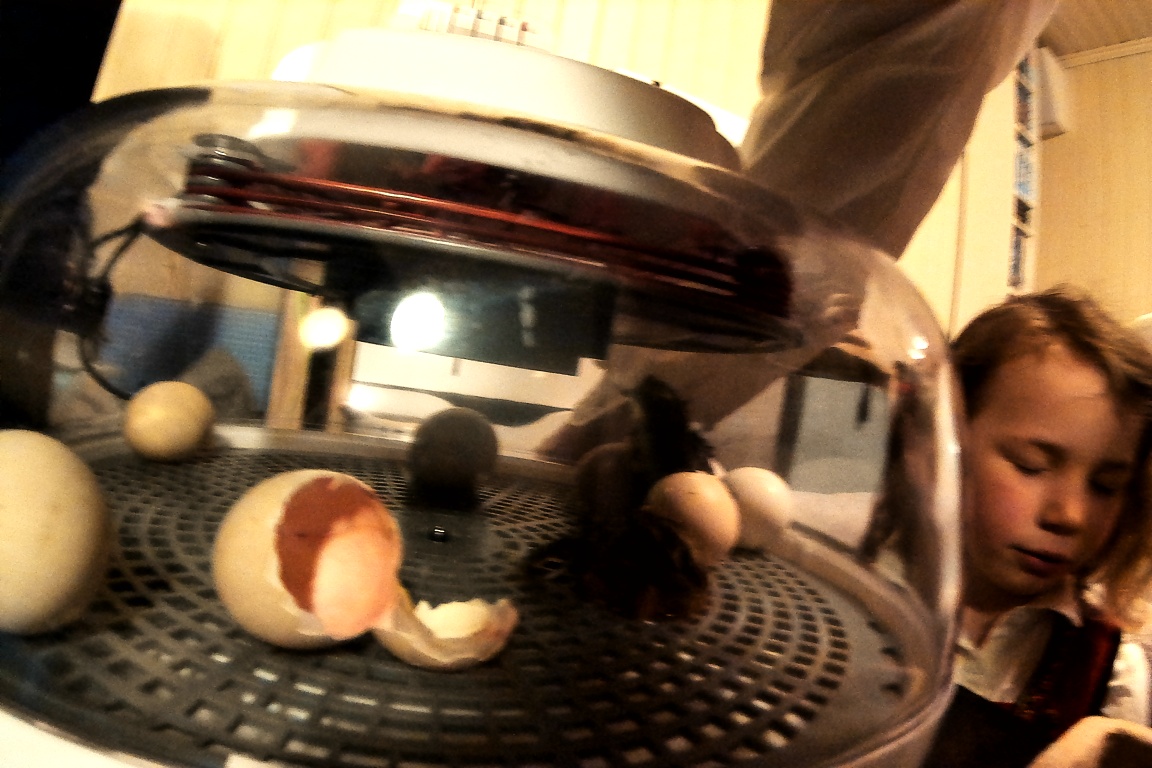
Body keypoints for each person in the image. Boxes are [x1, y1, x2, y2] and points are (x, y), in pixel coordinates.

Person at [924, 286, 1152, 767]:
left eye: (1106, 486)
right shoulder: (843, 586)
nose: (1069, 516)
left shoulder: (1110, 667)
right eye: (1031, 465)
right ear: (941, 436)